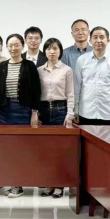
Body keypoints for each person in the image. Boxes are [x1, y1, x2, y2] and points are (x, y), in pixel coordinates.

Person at [0, 34, 41, 199]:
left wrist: (34, 112)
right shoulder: (2, 66)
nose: (13, 48)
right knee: (5, 149)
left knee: (20, 149)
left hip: (23, 110)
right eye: (10, 45)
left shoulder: (29, 66)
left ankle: (18, 185)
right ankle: (10, 181)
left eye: (16, 45)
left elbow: (36, 90)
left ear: (22, 46)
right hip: (4, 112)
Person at [39, 38, 75, 199]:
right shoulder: (39, 70)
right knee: (46, 150)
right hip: (44, 111)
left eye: (55, 49)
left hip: (61, 110)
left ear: (60, 51)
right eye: (48, 49)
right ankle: (49, 184)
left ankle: (60, 185)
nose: (52, 52)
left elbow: (71, 93)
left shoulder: (67, 70)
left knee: (61, 150)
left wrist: (70, 114)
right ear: (45, 51)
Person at [74, 27, 110, 126]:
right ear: (90, 41)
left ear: (108, 40)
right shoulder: (81, 60)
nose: (98, 40)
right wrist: (76, 109)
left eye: (102, 37)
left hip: (107, 114)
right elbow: (77, 87)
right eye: (95, 37)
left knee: (107, 137)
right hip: (86, 113)